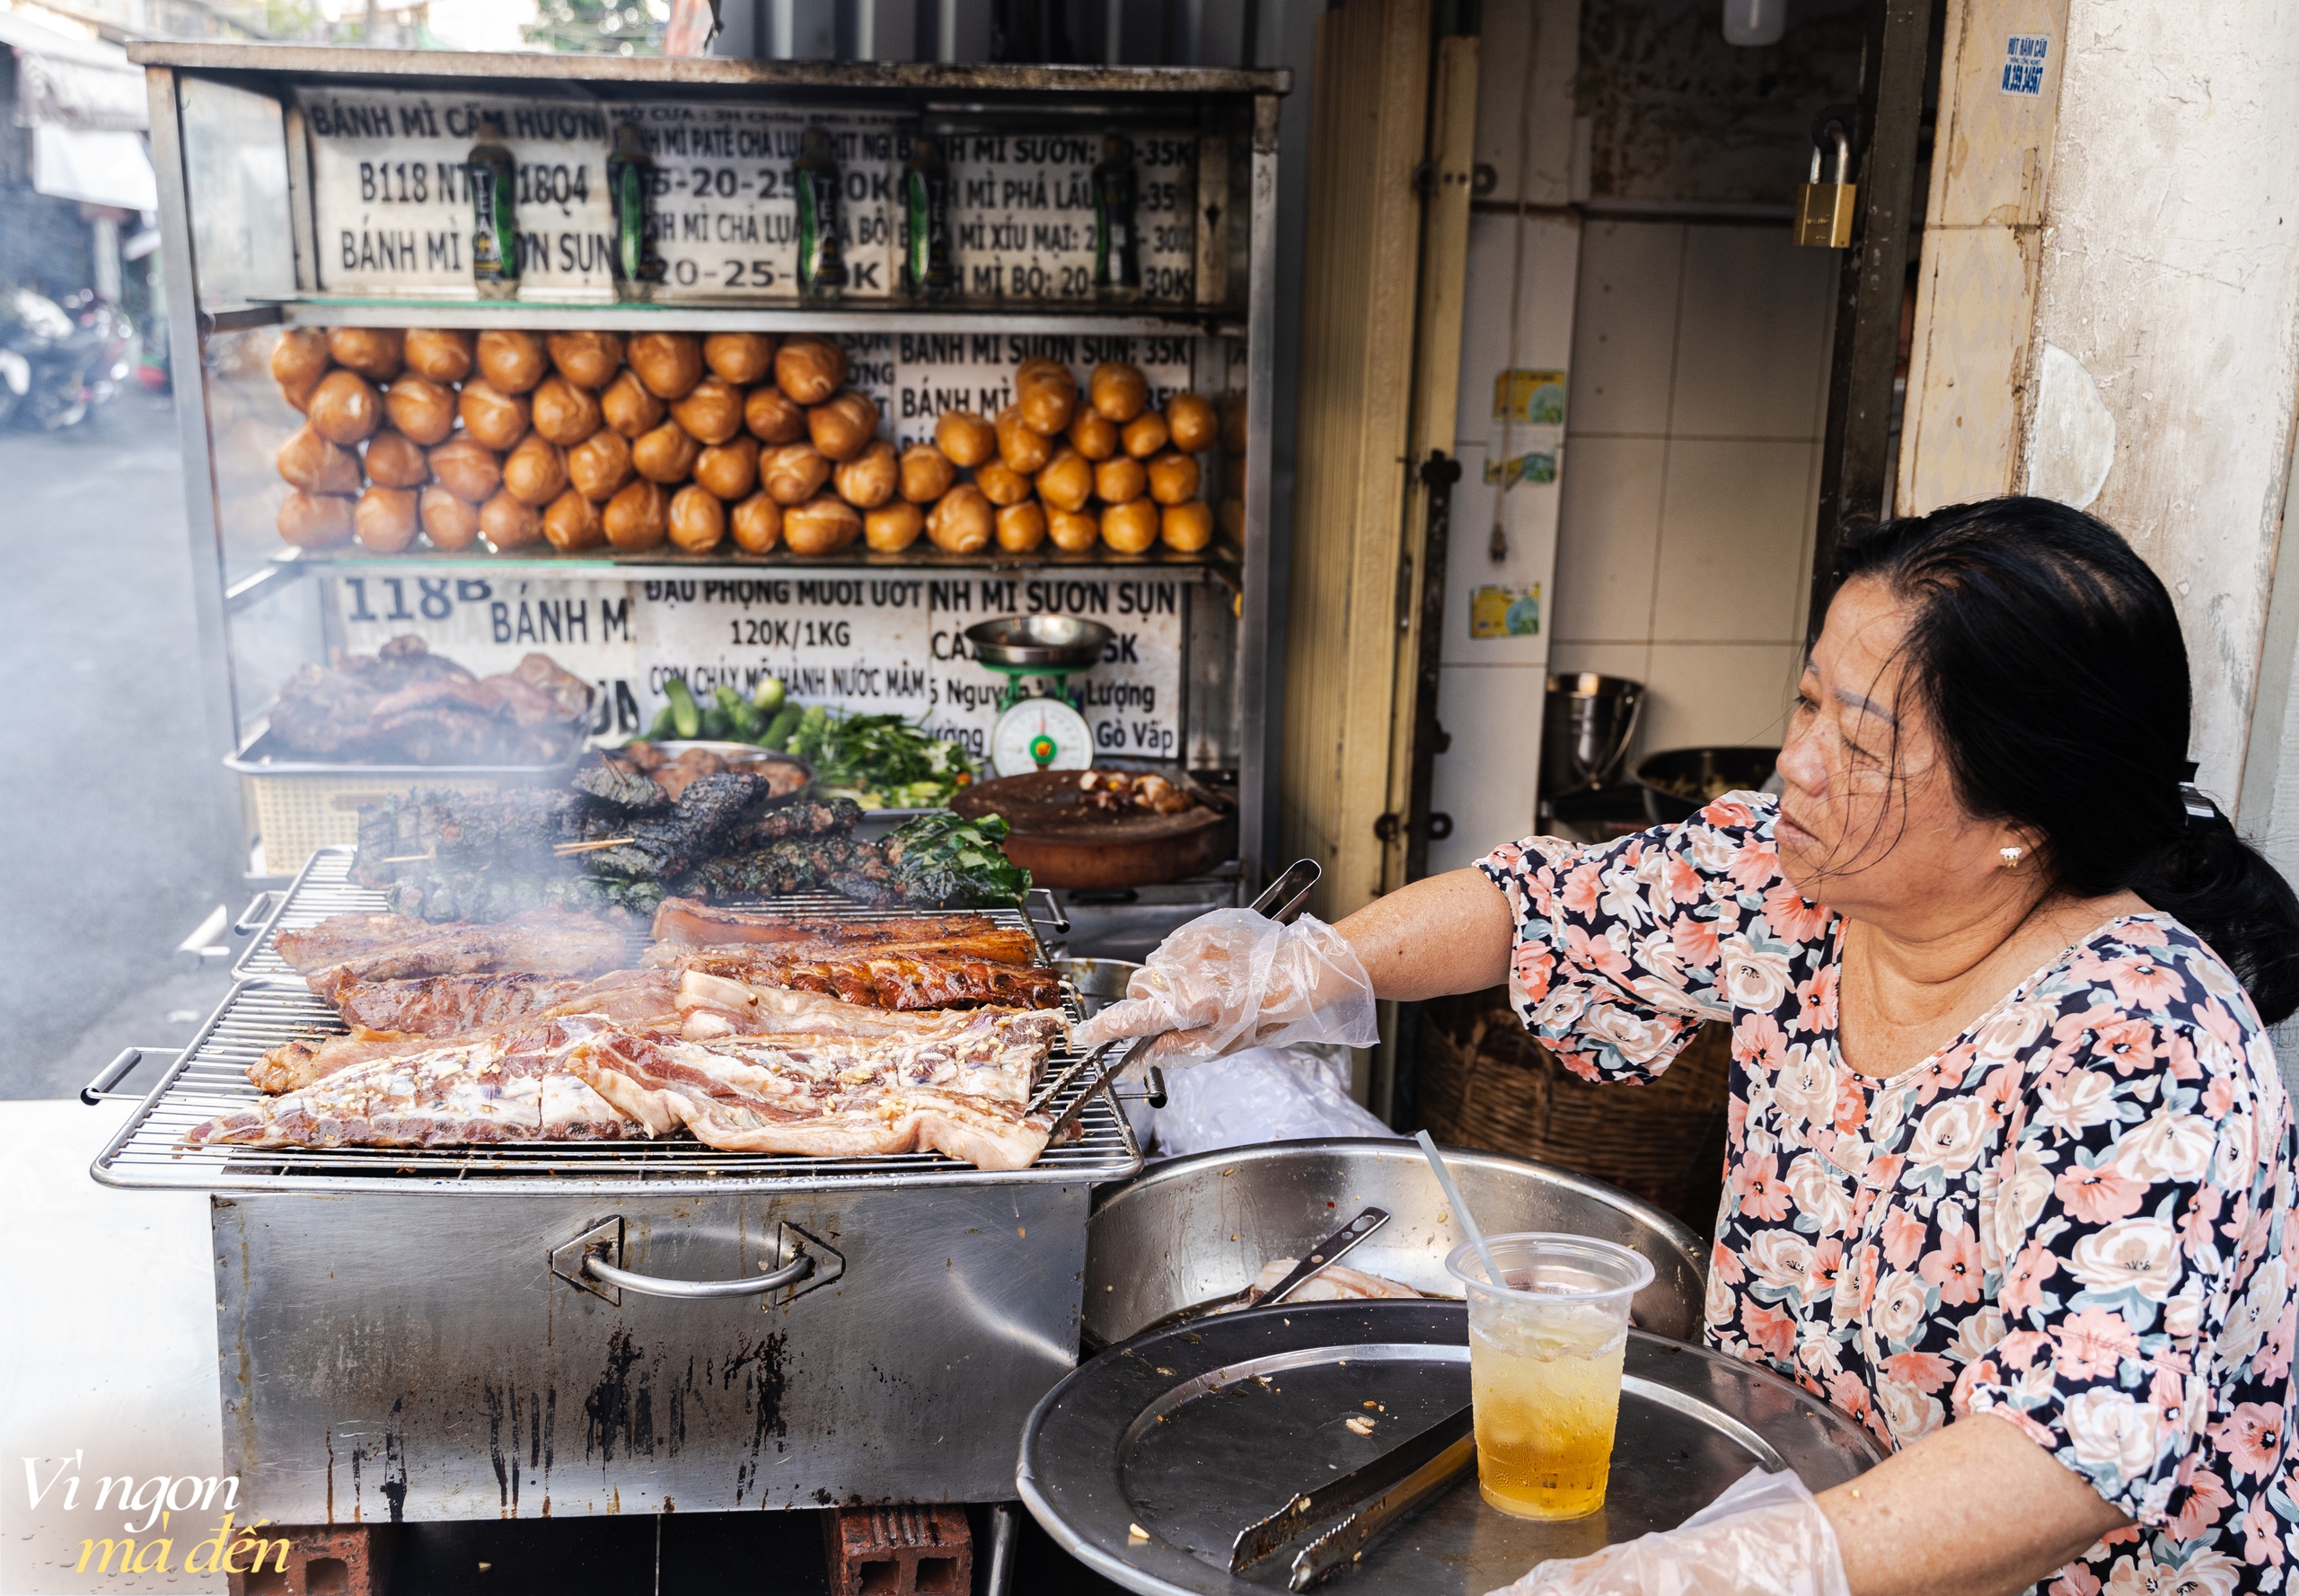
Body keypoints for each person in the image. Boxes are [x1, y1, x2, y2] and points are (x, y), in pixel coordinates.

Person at [1076, 498, 2299, 1595]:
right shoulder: (1798, 878)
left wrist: (1730, 1569)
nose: (1797, 765)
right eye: (1808, 699)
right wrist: (1302, 969)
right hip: (1798, 1502)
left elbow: (2061, 1460)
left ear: (2021, 820)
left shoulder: (2145, 1048)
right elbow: (1539, 905)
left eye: (1861, 746)